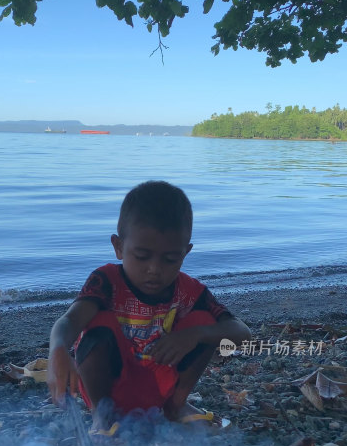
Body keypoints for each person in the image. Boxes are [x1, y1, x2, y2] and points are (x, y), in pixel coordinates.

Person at [47, 180, 250, 426]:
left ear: (185, 253)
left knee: (205, 323)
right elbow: (69, 320)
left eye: (170, 259)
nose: (154, 270)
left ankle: (175, 407)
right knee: (97, 319)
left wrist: (195, 335)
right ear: (119, 247)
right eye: (142, 257)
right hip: (109, 387)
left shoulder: (189, 291)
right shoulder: (106, 282)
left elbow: (241, 333)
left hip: (159, 390)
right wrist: (58, 348)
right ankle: (103, 418)